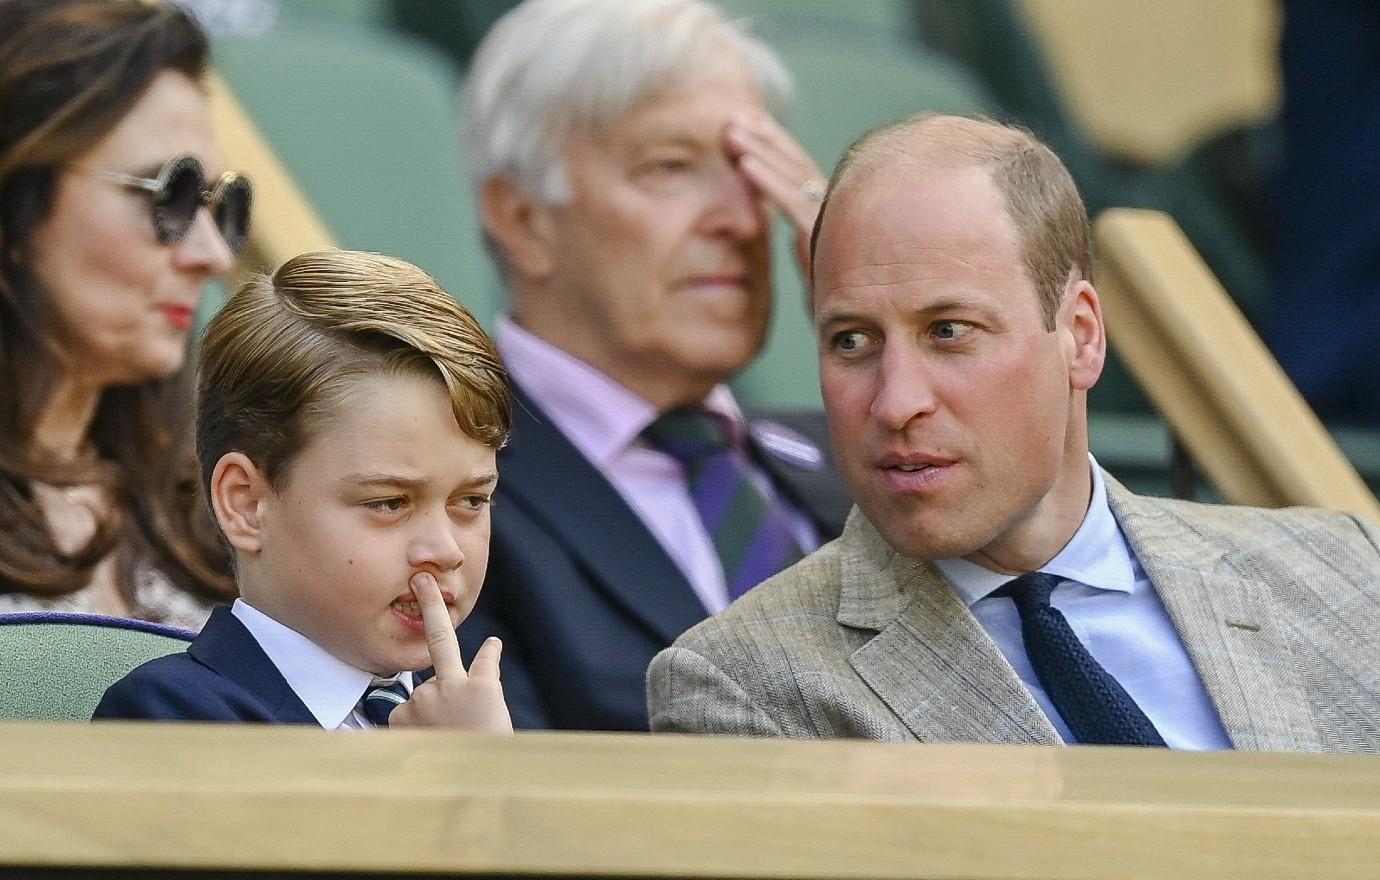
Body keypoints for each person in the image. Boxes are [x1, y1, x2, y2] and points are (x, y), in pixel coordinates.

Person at [648, 114, 1380, 752]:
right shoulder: (744, 687)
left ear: (1082, 338)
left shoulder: (1347, 573)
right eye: (851, 341)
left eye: (948, 331)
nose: (896, 402)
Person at [460, 0, 851, 731]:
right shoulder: (443, 489)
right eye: (671, 168)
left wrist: (871, 298)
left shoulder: (862, 462)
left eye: (749, 170)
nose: (739, 220)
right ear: (523, 220)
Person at [95, 250, 512, 731]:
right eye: (389, 503)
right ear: (247, 504)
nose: (445, 549)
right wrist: (456, 779)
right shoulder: (175, 713)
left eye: (471, 501)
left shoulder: (469, 712)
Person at [0, 0, 250, 627]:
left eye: (222, 205)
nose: (213, 253)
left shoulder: (215, 498)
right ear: (15, 203)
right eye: (172, 193)